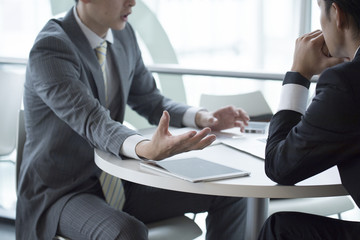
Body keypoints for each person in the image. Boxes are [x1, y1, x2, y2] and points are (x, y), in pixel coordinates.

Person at [16, 0, 251, 239]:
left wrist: (202, 118)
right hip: (62, 191)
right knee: (129, 233)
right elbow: (92, 120)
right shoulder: (51, 48)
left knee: (230, 191)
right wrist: (145, 148)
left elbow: (149, 99)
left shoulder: (124, 34)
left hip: (116, 179)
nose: (133, 2)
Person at [258, 0, 360, 239]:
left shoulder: (345, 83)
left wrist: (299, 73)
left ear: (337, 14)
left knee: (280, 229)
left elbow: (279, 166)